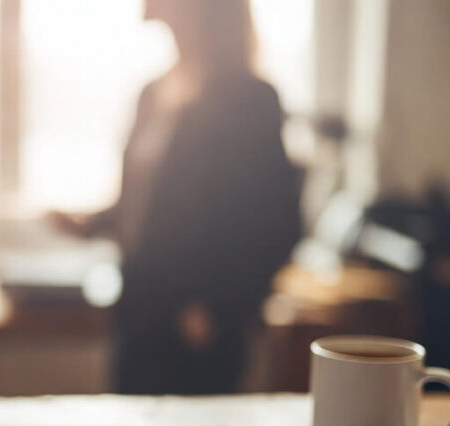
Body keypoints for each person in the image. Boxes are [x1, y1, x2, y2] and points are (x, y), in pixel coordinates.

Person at [51, 0, 300, 395]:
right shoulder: (152, 93)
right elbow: (150, 209)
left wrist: (217, 307)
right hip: (139, 309)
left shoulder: (248, 100)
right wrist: (93, 223)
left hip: (198, 325)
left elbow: (275, 222)